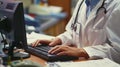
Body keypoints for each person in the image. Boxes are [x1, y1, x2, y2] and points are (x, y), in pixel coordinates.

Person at [32, 0, 120, 63]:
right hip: (81, 62)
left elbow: (117, 51)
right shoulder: (82, 3)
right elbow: (73, 31)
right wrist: (59, 39)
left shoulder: (116, 6)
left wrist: (83, 51)